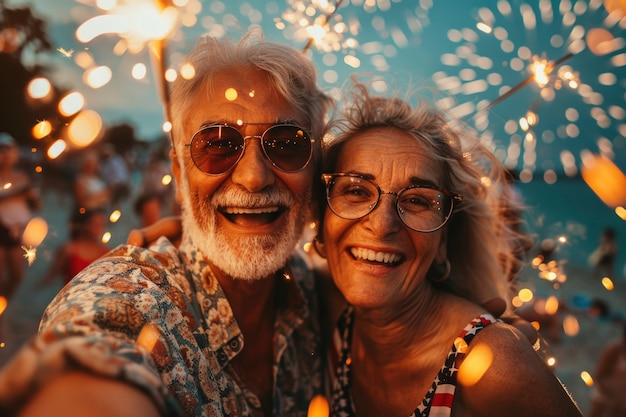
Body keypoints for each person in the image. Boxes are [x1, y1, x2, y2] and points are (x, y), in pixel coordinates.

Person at [0, 31, 332, 417]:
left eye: (287, 144)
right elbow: (95, 343)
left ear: (316, 168)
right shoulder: (133, 299)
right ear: (178, 170)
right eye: (219, 144)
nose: (254, 177)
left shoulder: (317, 295)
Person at [313, 80, 582, 416]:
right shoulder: (319, 310)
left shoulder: (492, 365)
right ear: (322, 223)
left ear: (443, 241)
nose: (381, 224)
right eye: (356, 191)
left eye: (416, 201)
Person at [0, 133, 41, 300]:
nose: (7, 155)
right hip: (1, 228)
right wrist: (17, 195)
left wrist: (31, 196)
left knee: (17, 275)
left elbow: (37, 205)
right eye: (3, 150)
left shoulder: (22, 176)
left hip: (18, 231)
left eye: (10, 150)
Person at [39, 208, 109, 287]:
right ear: (84, 225)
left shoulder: (106, 253)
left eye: (102, 225)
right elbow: (50, 277)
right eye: (95, 224)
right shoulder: (69, 249)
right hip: (70, 297)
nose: (99, 229)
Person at [588, 322, 626, 417]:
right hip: (603, 398)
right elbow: (599, 375)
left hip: (621, 402)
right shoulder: (614, 350)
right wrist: (612, 395)